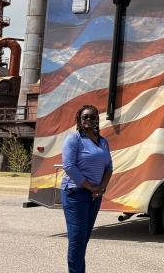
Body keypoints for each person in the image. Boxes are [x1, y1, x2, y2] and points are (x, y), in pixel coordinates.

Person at [61, 104, 113, 273]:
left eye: (92, 116)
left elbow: (109, 167)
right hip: (75, 193)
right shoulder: (74, 139)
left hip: (94, 195)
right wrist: (90, 187)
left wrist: (101, 188)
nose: (89, 120)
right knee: (77, 240)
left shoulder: (103, 141)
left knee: (84, 239)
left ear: (97, 119)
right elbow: (68, 166)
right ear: (79, 120)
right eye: (85, 117)